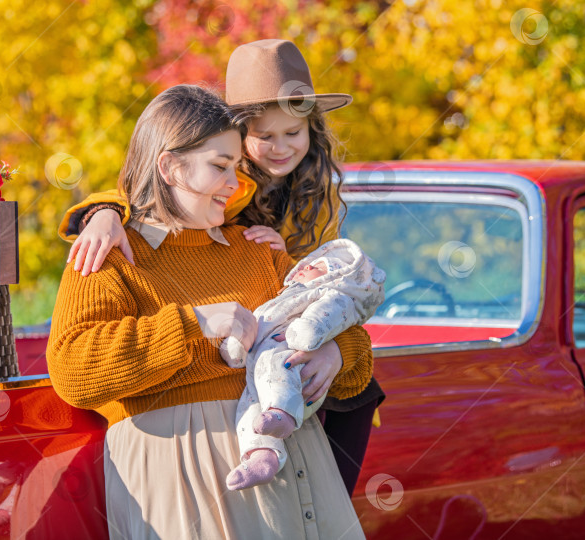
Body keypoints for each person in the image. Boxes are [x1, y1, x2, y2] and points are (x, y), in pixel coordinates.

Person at [58, 39, 385, 494]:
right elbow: (143, 193)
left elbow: (327, 292)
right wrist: (103, 213)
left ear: (312, 129)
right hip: (239, 364)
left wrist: (338, 346)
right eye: (264, 136)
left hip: (292, 335)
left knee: (352, 407)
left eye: (294, 132)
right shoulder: (224, 181)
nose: (280, 147)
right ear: (237, 133)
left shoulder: (313, 190)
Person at [221, 239, 385, 491]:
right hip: (256, 372)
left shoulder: (330, 295)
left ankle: (283, 413)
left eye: (313, 267)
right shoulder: (286, 292)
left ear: (334, 276)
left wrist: (332, 347)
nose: (301, 268)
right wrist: (237, 344)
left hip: (300, 370)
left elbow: (325, 319)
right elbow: (259, 318)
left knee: (280, 371)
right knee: (251, 406)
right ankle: (263, 455)